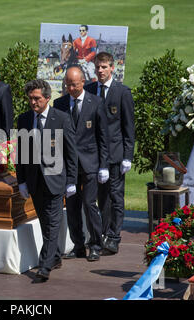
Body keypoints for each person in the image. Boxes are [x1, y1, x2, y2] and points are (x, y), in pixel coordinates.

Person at [16, 79, 78, 281]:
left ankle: (45, 266)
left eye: (37, 98)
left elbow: (71, 153)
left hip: (56, 181)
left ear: (47, 98)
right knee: (45, 222)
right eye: (30, 99)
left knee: (52, 223)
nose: (33, 102)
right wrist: (22, 181)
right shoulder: (24, 120)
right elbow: (22, 153)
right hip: (35, 182)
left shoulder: (61, 118)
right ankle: (56, 256)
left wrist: (71, 181)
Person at [54, 66, 109, 262]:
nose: (71, 88)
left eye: (74, 84)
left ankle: (95, 244)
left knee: (89, 203)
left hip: (91, 163)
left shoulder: (95, 102)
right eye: (68, 84)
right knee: (72, 205)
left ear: (83, 82)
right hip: (69, 165)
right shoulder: (59, 104)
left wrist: (104, 165)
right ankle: (78, 245)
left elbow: (103, 136)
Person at [84, 52, 135, 255]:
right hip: (95, 155)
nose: (101, 71)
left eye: (104, 67)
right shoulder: (89, 90)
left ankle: (114, 236)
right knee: (101, 198)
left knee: (115, 197)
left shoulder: (122, 92)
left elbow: (128, 126)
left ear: (112, 68)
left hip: (115, 154)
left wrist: (127, 156)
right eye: (98, 67)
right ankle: (102, 233)